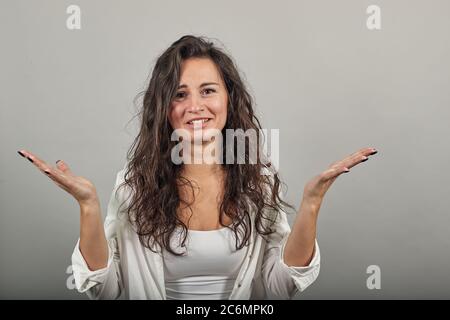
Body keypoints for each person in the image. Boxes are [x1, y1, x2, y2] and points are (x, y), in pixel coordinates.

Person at [17, 35, 378, 300]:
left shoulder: (259, 182)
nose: (195, 106)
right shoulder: (134, 185)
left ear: (228, 99)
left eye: (208, 91)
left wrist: (312, 202)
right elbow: (106, 290)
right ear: (164, 107)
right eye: (179, 94)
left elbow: (278, 287)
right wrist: (89, 206)